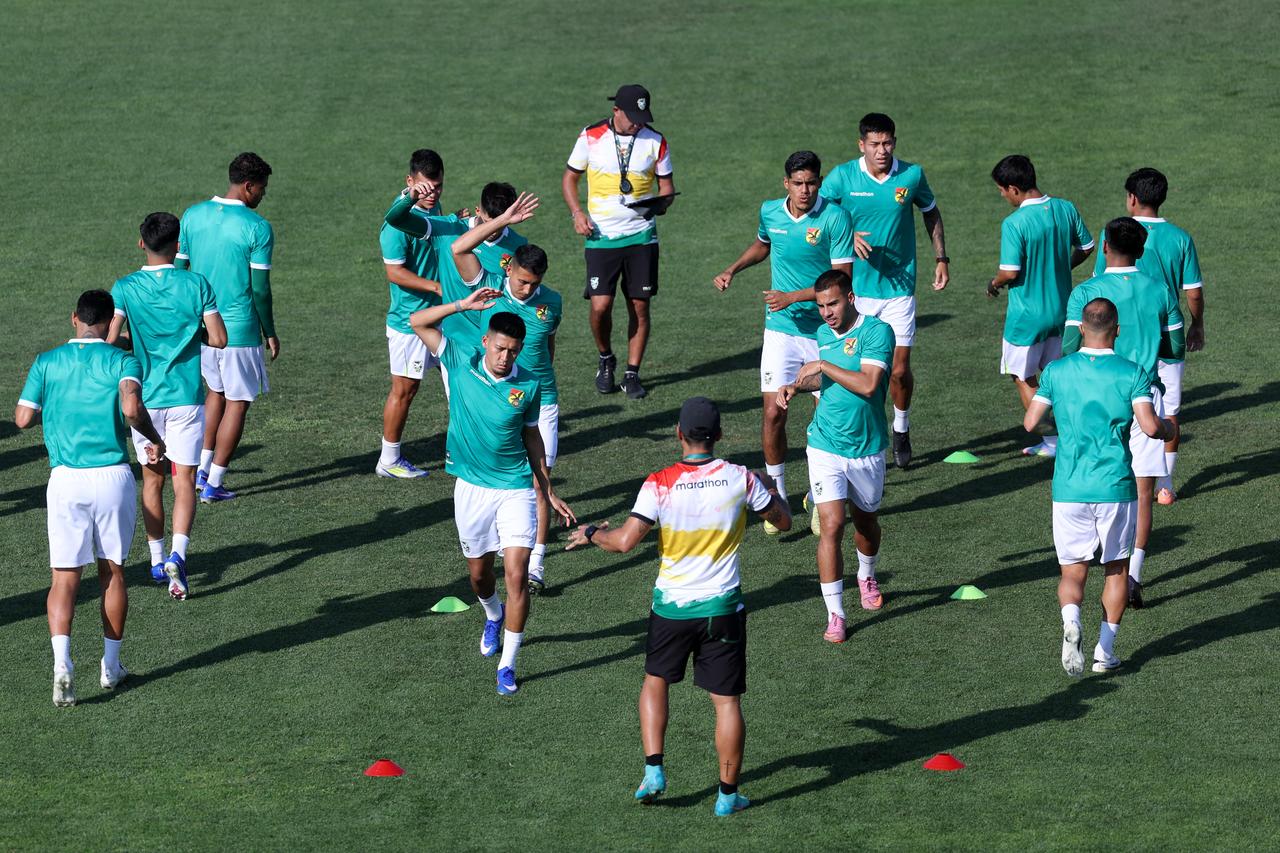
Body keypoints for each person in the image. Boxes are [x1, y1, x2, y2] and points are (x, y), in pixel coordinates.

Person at [564, 397, 792, 816]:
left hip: (671, 609)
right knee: (726, 703)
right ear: (719, 436)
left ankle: (654, 770)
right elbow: (783, 522)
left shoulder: (660, 482)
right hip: (721, 609)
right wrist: (772, 488)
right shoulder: (741, 478)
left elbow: (625, 541)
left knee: (655, 681)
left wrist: (593, 531)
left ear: (679, 434)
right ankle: (727, 797)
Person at [408, 269, 575, 697]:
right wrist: (463, 304)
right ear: (486, 342)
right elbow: (418, 322)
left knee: (517, 575)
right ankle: (493, 614)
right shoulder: (459, 360)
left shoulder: (528, 384)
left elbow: (533, 436)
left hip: (516, 487)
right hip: (471, 489)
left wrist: (547, 489)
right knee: (481, 577)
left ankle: (508, 664)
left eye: (513, 351)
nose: (506, 357)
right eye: (501, 348)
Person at [16, 290, 166, 706]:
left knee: (64, 579)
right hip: (111, 477)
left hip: (65, 479)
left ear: (74, 319)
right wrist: (154, 440)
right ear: (107, 324)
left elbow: (23, 418)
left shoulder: (46, 362)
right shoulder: (122, 360)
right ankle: (110, 667)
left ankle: (62, 665)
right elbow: (132, 409)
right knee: (113, 573)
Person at [1024, 297, 1175, 675]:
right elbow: (1152, 427)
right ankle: (1104, 653)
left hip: (1069, 488)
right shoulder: (1132, 372)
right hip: (1116, 487)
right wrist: (1171, 428)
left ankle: (1071, 620)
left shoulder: (1057, 371)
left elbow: (1030, 423)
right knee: (1116, 571)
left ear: (1080, 328)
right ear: (1117, 330)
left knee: (1072, 573)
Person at [713, 151, 854, 533]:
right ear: (786, 184)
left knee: (830, 418)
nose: (805, 190)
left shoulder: (835, 218)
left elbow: (841, 280)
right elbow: (764, 244)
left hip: (826, 332)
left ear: (819, 183)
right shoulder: (771, 211)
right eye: (798, 183)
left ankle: (819, 493)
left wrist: (792, 296)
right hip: (780, 330)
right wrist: (733, 269)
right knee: (774, 412)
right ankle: (776, 495)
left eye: (811, 183)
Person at [1065, 218, 1184, 608]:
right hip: (1145, 396)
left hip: (1095, 396)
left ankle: (1084, 569)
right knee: (1143, 493)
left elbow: (1069, 349)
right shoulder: (1160, 290)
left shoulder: (1087, 292)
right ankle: (1131, 577)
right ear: (1142, 249)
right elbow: (1175, 348)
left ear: (1103, 247)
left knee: (1090, 477)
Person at [107, 213, 228, 600]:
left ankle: (157, 559)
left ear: (141, 243)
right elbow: (220, 339)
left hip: (146, 399)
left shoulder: (124, 287)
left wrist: (137, 343)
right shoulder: (197, 284)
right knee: (184, 479)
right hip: (186, 399)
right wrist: (189, 337)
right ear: (178, 245)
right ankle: (179, 553)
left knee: (153, 479)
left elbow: (111, 341)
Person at [820, 113, 949, 468]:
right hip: (856, 293)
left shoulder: (911, 175)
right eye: (875, 144)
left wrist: (941, 257)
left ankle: (902, 428)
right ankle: (866, 437)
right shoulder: (843, 177)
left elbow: (931, 212)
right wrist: (848, 232)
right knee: (860, 372)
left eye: (888, 143)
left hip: (899, 289)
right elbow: (820, 213)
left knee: (897, 371)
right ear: (861, 144)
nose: (882, 150)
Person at [450, 202, 562, 592]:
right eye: (522, 280)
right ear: (508, 268)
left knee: (538, 476)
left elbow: (548, 346)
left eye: (535, 283)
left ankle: (537, 564)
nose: (528, 289)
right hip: (492, 398)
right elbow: (459, 250)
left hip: (540, 398)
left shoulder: (554, 303)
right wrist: (501, 222)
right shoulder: (490, 293)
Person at [778, 270, 895, 632]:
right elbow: (824, 377)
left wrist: (823, 365)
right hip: (825, 443)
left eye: (833, 304)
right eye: (821, 306)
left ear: (851, 298)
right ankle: (836, 614)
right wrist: (797, 385)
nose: (826, 312)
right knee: (831, 525)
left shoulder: (877, 332)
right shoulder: (822, 333)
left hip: (867, 448)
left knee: (865, 522)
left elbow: (869, 384)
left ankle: (866, 574)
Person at [1092, 168, 1205, 504]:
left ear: (1132, 198)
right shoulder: (1180, 238)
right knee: (1168, 412)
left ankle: (1119, 476)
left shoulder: (1113, 235)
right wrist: (1197, 324)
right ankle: (1165, 484)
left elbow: (1102, 288)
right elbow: (1194, 292)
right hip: (1166, 340)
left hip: (1123, 340)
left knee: (1121, 408)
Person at [176, 152, 277, 501]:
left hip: (203, 329)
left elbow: (179, 273)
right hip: (239, 330)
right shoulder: (257, 227)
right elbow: (260, 289)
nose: (263, 195)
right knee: (239, 401)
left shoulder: (192, 215)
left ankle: (201, 469)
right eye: (261, 189)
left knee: (215, 393)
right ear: (248, 186)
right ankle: (214, 482)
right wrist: (270, 331)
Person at [562, 84, 675, 399]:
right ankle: (605, 357)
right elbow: (570, 177)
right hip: (601, 236)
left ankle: (632, 372)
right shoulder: (591, 136)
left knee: (639, 306)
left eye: (643, 116)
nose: (638, 122)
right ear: (617, 111)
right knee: (601, 306)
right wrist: (576, 214)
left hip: (641, 237)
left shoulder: (656, 141)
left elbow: (667, 188)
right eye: (633, 116)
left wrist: (660, 205)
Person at [987, 154, 1094, 457]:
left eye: (1002, 191)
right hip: (1062, 311)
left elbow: (1010, 272)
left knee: (1022, 376)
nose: (1003, 197)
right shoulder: (1065, 208)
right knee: (1053, 373)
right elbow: (1086, 246)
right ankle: (1064, 439)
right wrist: (1062, 267)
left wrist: (993, 284)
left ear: (1013, 189)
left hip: (1026, 318)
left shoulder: (1015, 222)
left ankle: (1054, 438)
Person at [375, 148, 449, 478]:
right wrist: (435, 287)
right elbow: (395, 273)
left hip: (442, 317)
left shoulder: (432, 205)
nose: (432, 194)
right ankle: (388, 460)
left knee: (459, 381)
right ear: (410, 182)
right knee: (404, 390)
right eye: (425, 187)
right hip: (410, 323)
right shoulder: (396, 224)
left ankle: (467, 450)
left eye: (438, 187)